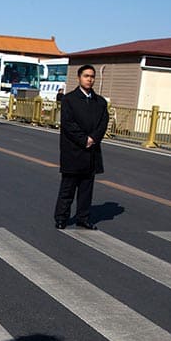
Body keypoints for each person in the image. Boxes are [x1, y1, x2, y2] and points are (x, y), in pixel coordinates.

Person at [54, 64, 108, 230]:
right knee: (68, 188)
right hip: (73, 150)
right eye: (86, 76)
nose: (89, 79)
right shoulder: (69, 99)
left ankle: (83, 218)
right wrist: (84, 139)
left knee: (86, 188)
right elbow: (68, 125)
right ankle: (61, 218)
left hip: (91, 151)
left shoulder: (100, 102)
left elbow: (103, 122)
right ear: (79, 78)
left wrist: (93, 138)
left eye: (92, 76)